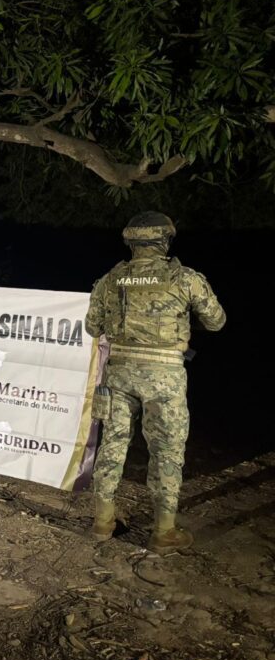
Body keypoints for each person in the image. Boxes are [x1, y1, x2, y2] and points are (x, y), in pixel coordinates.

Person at [85, 212, 225, 555]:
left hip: (119, 371)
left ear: (131, 243)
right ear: (165, 241)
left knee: (113, 444)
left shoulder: (110, 280)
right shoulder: (186, 278)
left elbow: (92, 327)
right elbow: (217, 321)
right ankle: (163, 531)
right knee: (166, 450)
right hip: (165, 376)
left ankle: (103, 521)